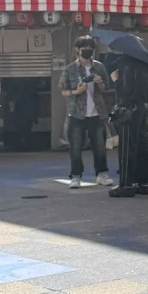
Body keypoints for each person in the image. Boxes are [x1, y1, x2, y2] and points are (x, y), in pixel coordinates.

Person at [60, 36, 112, 189]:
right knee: (75, 147)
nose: (88, 51)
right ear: (77, 50)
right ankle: (76, 176)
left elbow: (106, 87)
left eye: (90, 48)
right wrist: (76, 91)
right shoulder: (70, 69)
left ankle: (102, 174)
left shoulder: (99, 67)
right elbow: (63, 91)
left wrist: (99, 83)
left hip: (97, 113)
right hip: (76, 114)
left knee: (100, 146)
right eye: (84, 48)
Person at [107, 56, 148, 198]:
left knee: (127, 147)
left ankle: (126, 184)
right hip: (141, 108)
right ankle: (143, 183)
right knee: (142, 146)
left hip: (128, 110)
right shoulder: (145, 67)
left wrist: (116, 80)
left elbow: (125, 92)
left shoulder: (128, 68)